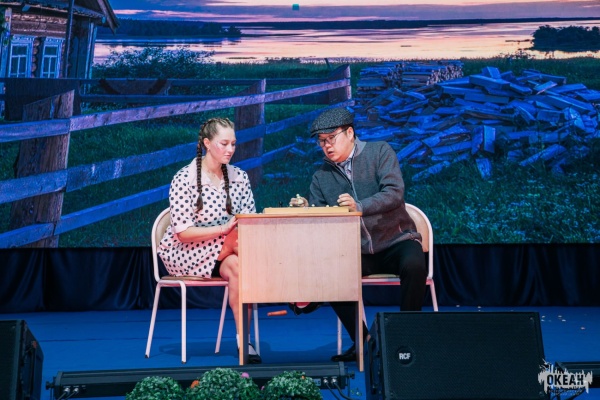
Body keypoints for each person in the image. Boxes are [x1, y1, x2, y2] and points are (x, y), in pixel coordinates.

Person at [290, 107, 428, 362]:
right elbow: (321, 221)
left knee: (415, 264)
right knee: (332, 276)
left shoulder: (379, 152)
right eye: (322, 141)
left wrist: (360, 206)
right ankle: (364, 343)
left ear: (350, 133)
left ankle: (405, 339)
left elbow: (394, 192)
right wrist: (307, 210)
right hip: (355, 250)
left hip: (395, 240)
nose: (327, 146)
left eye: (332, 138)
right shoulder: (321, 176)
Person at [157, 117, 261, 364]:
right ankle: (289, 288)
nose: (230, 149)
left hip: (228, 252)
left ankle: (243, 342)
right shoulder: (185, 178)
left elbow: (250, 222)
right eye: (224, 144)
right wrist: (224, 229)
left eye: (233, 143)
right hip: (185, 252)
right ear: (206, 143)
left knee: (238, 267)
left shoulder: (239, 177)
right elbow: (183, 233)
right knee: (238, 242)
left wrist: (232, 231)